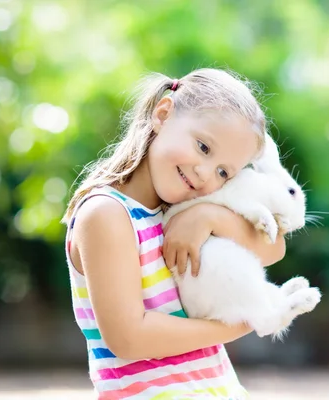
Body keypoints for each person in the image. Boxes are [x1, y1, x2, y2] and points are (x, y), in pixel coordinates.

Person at [61, 68, 286, 399]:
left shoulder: (181, 210)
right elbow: (128, 337)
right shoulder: (107, 214)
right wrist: (243, 322)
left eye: (224, 172)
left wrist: (207, 216)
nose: (204, 172)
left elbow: (274, 246)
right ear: (163, 114)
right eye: (203, 147)